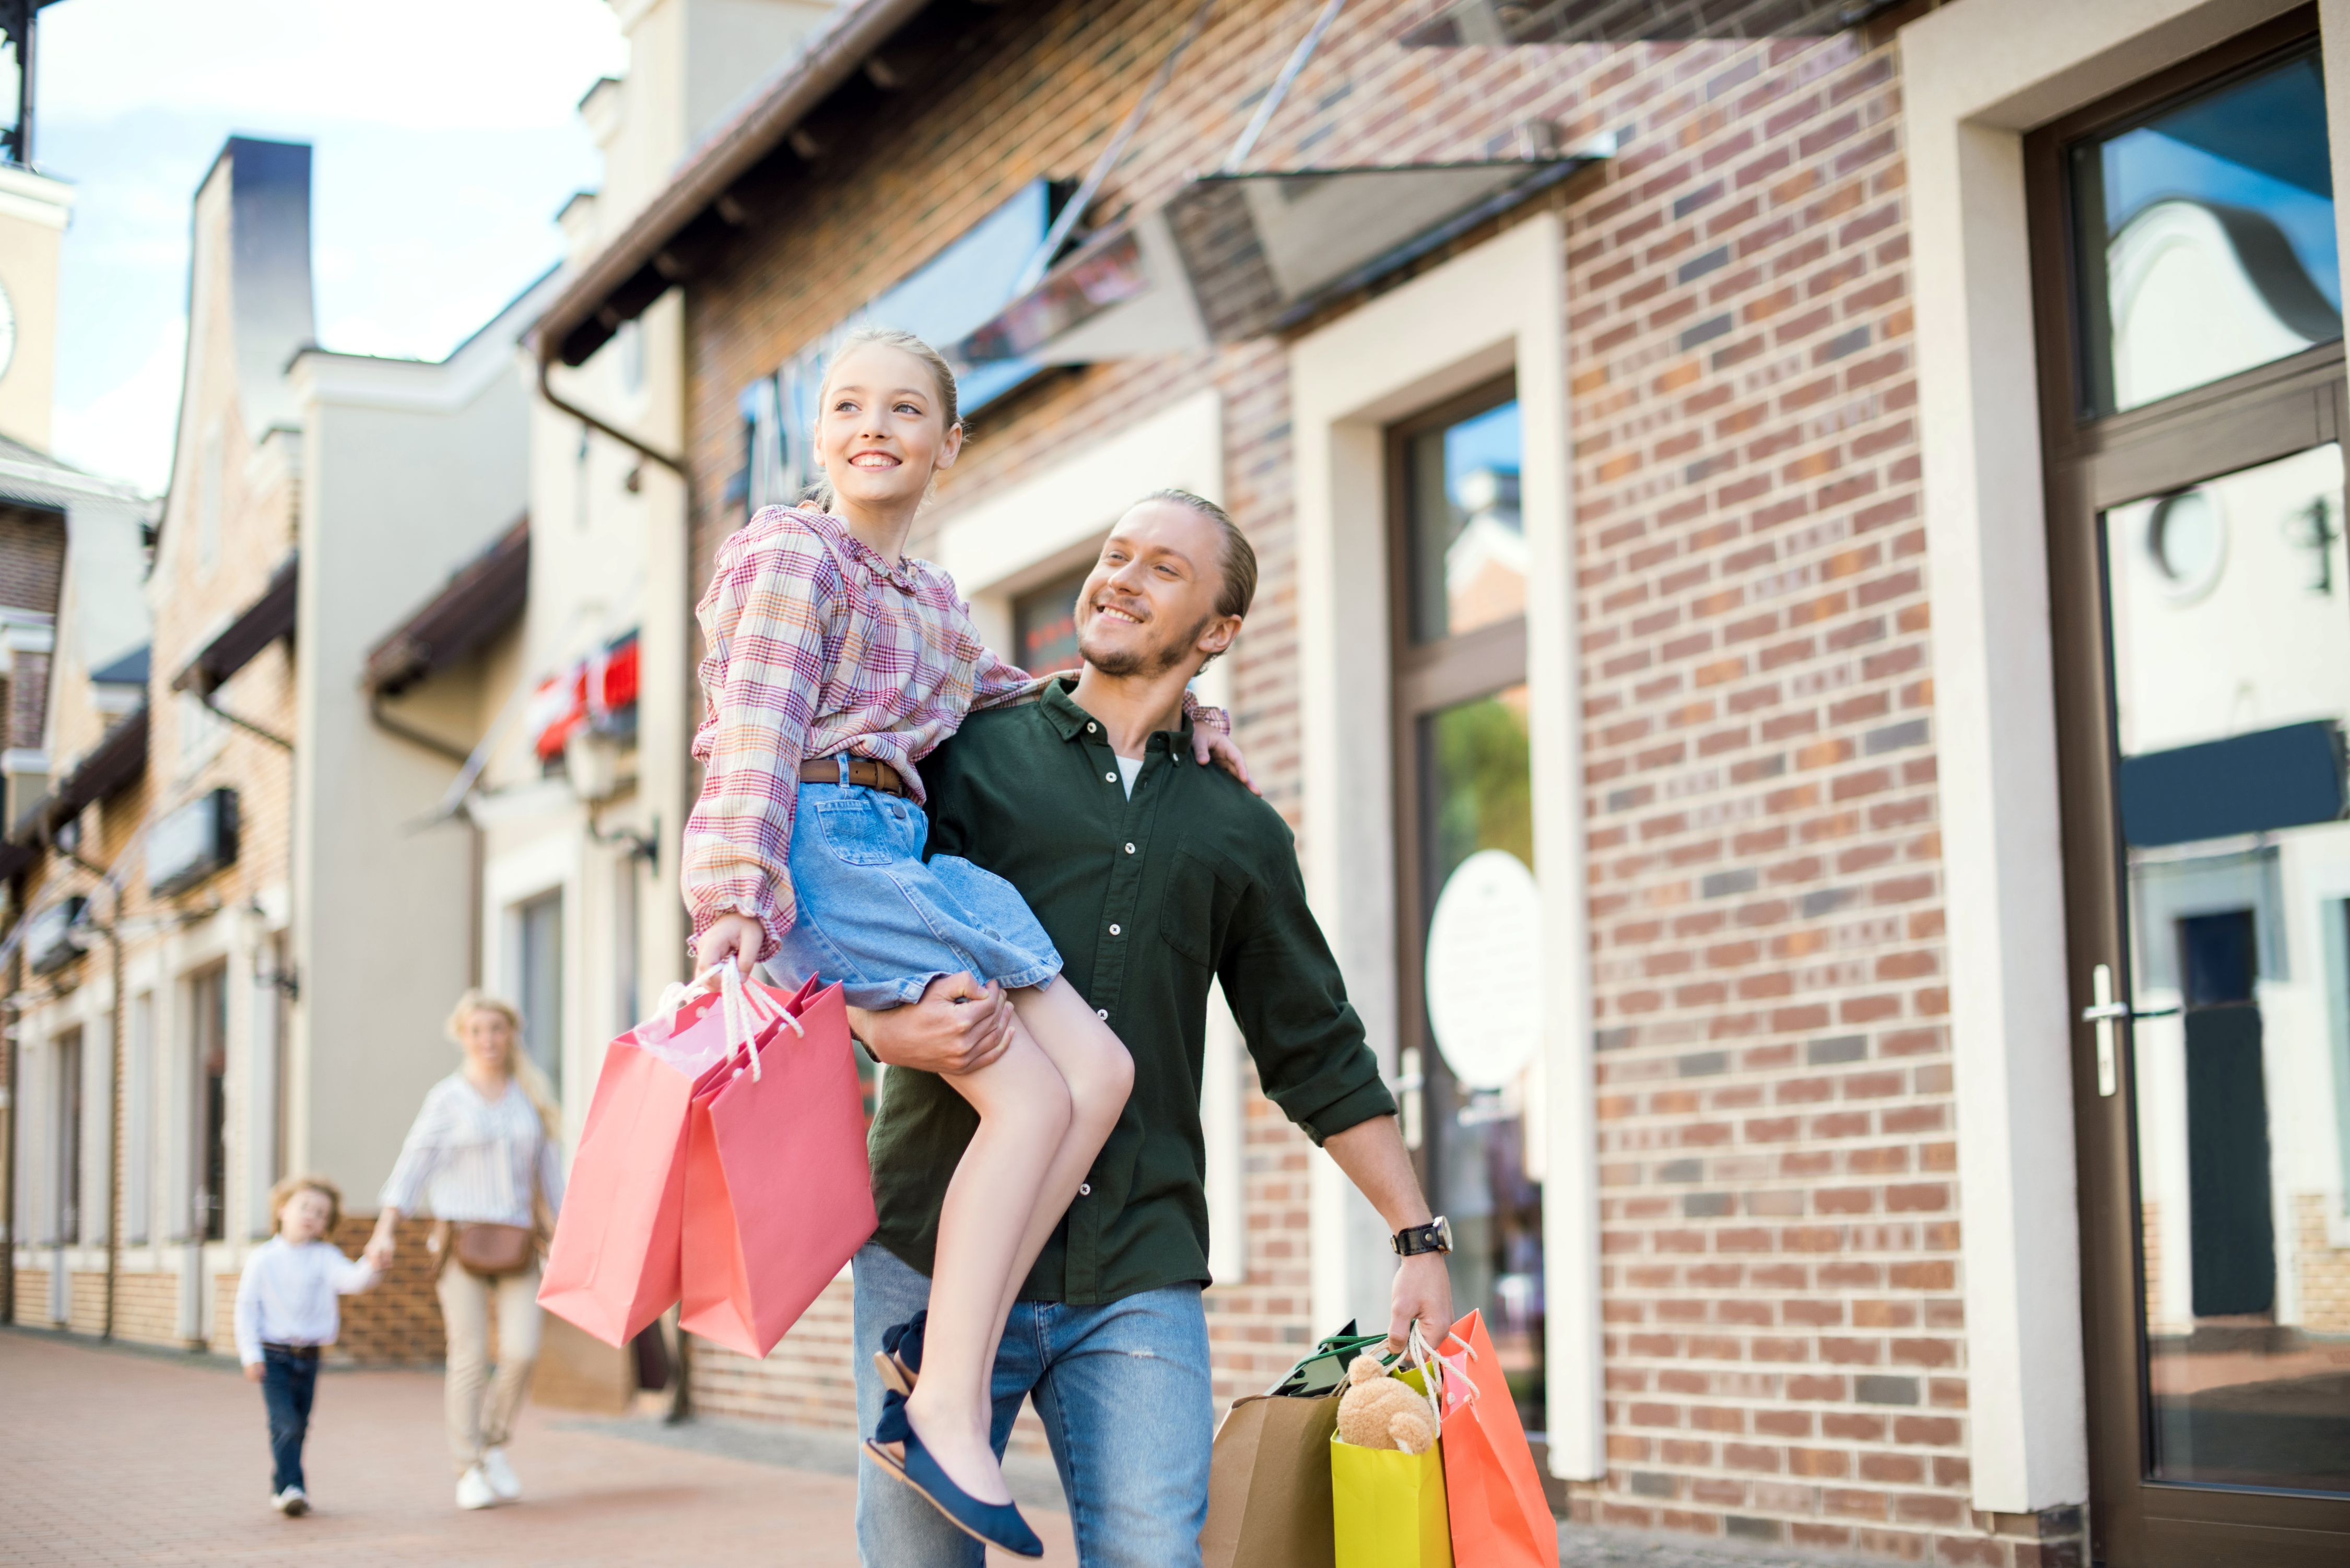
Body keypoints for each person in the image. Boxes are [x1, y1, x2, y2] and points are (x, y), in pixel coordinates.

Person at [685, 327, 1250, 1558]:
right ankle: (942, 1393)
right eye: (845, 405)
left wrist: (1181, 707)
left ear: (951, 442)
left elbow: (1014, 693)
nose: (871, 424)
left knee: (1096, 1075)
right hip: (825, 841)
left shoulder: (929, 599)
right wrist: (734, 898)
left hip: (899, 853)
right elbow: (754, 734)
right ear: (818, 436)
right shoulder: (793, 554)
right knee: (1030, 1102)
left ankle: (938, 1351)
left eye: (902, 408)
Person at [844, 489, 1455, 1568]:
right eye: (1115, 553)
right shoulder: (964, 753)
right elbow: (829, 909)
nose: (1119, 576)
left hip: (1135, 1264)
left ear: (1217, 631)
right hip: (933, 1249)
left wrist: (1417, 1233)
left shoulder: (1238, 826)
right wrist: (881, 1030)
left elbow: (1314, 1045)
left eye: (1162, 568)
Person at [365, 991, 565, 1512]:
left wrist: (566, 1235)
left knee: (522, 1352)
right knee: (469, 1357)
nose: (488, 1040)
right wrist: (386, 1228)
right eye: (478, 1031)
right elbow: (414, 1165)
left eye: (497, 1029)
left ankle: (494, 1444)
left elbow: (551, 1178)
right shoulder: (447, 1098)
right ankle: (467, 1468)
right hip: (461, 1243)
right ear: (464, 1036)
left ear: (511, 1034)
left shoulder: (531, 1096)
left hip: (519, 1240)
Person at [235, 1174, 378, 1517]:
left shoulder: (325, 1256)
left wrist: (374, 1264)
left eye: (321, 1213)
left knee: (299, 1424)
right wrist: (250, 1354)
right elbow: (246, 1307)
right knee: (284, 1422)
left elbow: (353, 1281)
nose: (311, 1215)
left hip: (309, 1357)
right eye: (305, 1207)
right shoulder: (264, 1258)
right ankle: (291, 1486)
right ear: (283, 1209)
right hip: (274, 1355)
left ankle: (281, 1482)